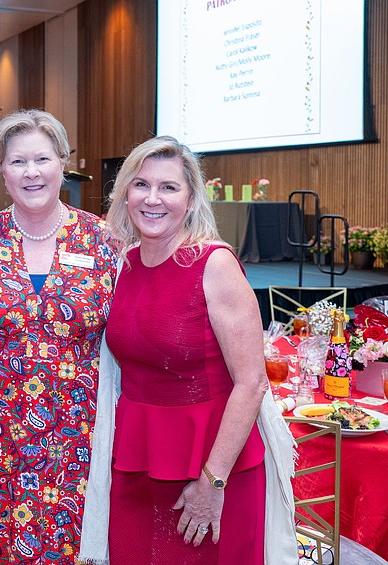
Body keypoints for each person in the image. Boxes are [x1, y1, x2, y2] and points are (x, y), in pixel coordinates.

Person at [79, 135, 297, 565]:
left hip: (212, 468)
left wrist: (212, 481)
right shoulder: (126, 264)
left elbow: (251, 383)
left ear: (192, 198)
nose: (152, 198)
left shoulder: (213, 263)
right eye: (141, 185)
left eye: (169, 187)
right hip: (135, 462)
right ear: (125, 195)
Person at [0, 109, 118, 564]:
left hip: (77, 429)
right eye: (17, 162)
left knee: (74, 544)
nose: (31, 173)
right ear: (0, 171)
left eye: (42, 159)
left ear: (63, 162)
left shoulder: (104, 240)